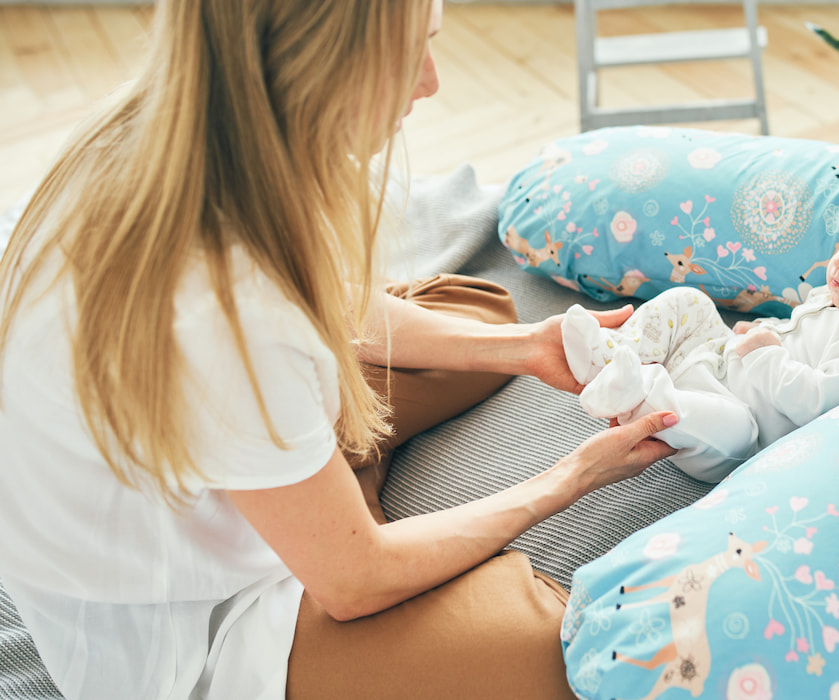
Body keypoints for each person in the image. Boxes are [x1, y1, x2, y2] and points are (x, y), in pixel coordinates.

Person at [0, 1, 678, 698]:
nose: (431, 82)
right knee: (563, 652)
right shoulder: (224, 303)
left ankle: (333, 491)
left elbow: (323, 305)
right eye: (411, 51)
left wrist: (522, 346)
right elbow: (354, 582)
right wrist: (571, 477)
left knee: (479, 309)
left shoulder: (185, 127)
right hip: (196, 628)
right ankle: (340, 506)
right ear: (318, 64)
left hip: (204, 449)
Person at [562, 189, 839, 483]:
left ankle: (635, 395)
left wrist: (765, 354)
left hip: (731, 426)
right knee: (690, 301)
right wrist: (761, 332)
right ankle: (606, 357)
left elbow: (816, 404)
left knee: (734, 428)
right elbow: (793, 334)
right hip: (717, 362)